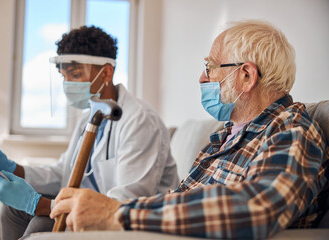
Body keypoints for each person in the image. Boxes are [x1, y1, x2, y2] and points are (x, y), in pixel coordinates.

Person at [49, 20, 329, 239]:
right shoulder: (223, 137)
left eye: (210, 67)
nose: (201, 78)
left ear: (246, 76)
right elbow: (180, 201)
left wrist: (119, 213)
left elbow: (256, 208)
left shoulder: (292, 132)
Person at [0, 26, 179, 240]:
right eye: (64, 77)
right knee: (13, 210)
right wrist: (11, 167)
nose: (67, 85)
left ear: (106, 72)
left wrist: (40, 205)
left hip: (128, 223)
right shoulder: (87, 120)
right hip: (92, 210)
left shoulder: (140, 120)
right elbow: (63, 174)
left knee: (43, 222)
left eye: (76, 75)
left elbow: (123, 203)